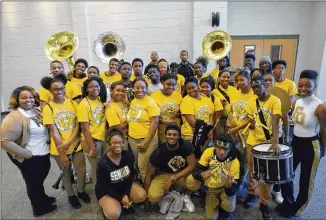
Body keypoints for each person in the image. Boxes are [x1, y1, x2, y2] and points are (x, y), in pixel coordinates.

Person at [1, 86, 57, 217]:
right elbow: (4, 141)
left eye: (31, 97)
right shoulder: (14, 117)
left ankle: (42, 198)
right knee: (33, 183)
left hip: (42, 153)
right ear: (17, 100)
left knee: (38, 180)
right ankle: (39, 208)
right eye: (24, 98)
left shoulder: (35, 111)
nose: (28, 100)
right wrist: (27, 154)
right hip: (30, 157)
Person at [278, 70, 326, 218]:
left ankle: (297, 208)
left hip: (311, 146)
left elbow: (324, 129)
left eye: (308, 85)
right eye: (300, 85)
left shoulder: (320, 107)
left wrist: (324, 148)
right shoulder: (296, 102)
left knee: (305, 180)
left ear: (315, 85)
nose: (303, 88)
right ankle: (288, 202)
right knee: (286, 175)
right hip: (295, 143)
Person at [41, 74, 90, 209]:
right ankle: (71, 195)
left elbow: (76, 125)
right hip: (58, 147)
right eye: (55, 89)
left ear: (65, 88)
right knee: (66, 172)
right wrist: (62, 152)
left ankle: (80, 191)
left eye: (61, 88)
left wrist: (69, 143)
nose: (59, 91)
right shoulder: (48, 108)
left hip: (75, 145)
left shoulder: (73, 103)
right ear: (50, 91)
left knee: (81, 170)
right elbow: (53, 131)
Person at [244, 76, 282, 220]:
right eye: (253, 87)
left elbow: (275, 120)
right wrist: (251, 123)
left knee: (268, 175)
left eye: (257, 86)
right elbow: (250, 119)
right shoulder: (251, 102)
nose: (255, 89)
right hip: (253, 140)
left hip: (268, 142)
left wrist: (275, 140)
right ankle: (253, 194)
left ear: (265, 84)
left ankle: (264, 203)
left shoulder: (275, 101)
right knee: (253, 172)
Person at [96, 128, 147, 220]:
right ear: (109, 145)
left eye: (120, 142)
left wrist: (126, 194)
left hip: (123, 186)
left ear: (123, 143)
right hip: (106, 191)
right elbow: (104, 186)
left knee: (142, 195)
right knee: (114, 214)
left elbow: (130, 177)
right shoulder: (103, 163)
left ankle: (123, 203)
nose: (117, 145)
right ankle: (108, 206)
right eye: (114, 142)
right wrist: (120, 198)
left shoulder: (127, 155)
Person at [144, 124, 197, 212]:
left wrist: (174, 178)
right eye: (169, 134)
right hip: (165, 174)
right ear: (165, 136)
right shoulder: (158, 154)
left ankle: (186, 195)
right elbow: (148, 175)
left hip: (182, 172)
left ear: (179, 136)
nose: (172, 137)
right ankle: (170, 194)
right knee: (153, 197)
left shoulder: (186, 146)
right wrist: (145, 200)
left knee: (195, 181)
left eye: (175, 135)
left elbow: (192, 165)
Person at [188, 133, 240, 219]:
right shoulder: (208, 152)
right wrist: (201, 174)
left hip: (224, 187)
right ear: (215, 146)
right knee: (210, 218)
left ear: (230, 149)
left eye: (225, 149)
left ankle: (223, 208)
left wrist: (229, 186)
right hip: (212, 187)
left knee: (229, 207)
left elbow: (234, 188)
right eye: (219, 148)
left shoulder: (234, 161)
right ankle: (208, 196)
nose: (222, 152)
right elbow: (196, 171)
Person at [127, 78, 160, 180]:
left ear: (146, 89)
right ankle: (142, 183)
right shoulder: (133, 101)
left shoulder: (151, 103)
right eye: (137, 87)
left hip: (147, 140)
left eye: (143, 87)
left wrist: (146, 143)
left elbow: (155, 124)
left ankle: (147, 192)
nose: (140, 90)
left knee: (143, 167)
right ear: (133, 88)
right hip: (133, 139)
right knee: (137, 164)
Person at [77, 77, 107, 184]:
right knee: (96, 169)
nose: (95, 89)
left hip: (102, 138)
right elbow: (85, 128)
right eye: (91, 87)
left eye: (97, 86)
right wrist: (91, 147)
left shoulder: (99, 100)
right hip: (92, 141)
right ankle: (99, 192)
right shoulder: (83, 105)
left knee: (102, 166)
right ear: (86, 89)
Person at [180, 77, 214, 142]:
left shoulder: (206, 99)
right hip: (191, 135)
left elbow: (211, 116)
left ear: (198, 86)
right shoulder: (186, 100)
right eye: (188, 89)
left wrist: (210, 129)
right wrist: (206, 130)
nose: (191, 90)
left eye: (193, 87)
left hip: (206, 134)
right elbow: (191, 120)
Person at [150, 74, 182, 143]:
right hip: (162, 131)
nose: (171, 87)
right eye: (168, 84)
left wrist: (179, 114)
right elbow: (152, 116)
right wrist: (164, 121)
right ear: (162, 82)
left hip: (176, 130)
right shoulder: (154, 96)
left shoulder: (178, 95)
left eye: (173, 85)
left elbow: (181, 112)